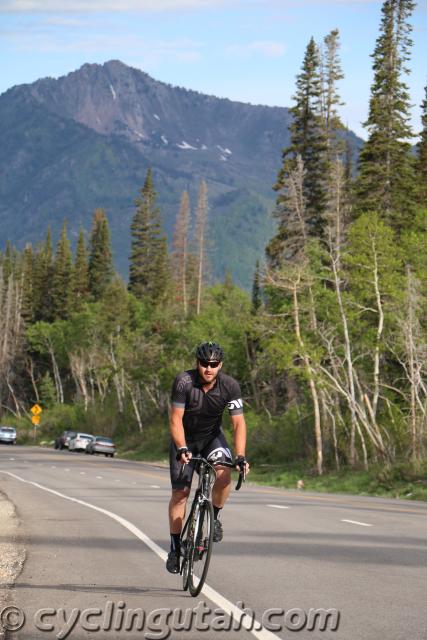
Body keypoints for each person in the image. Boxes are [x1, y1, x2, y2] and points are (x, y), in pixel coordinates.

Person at [166, 341, 249, 574]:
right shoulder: (184, 382)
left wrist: (241, 455)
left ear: (220, 365)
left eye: (214, 364)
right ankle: (174, 549)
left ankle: (214, 517)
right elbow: (175, 419)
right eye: (204, 364)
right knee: (180, 495)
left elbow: (238, 423)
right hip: (185, 440)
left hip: (212, 439)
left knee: (224, 474)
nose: (208, 368)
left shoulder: (230, 386)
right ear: (197, 363)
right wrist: (182, 448)